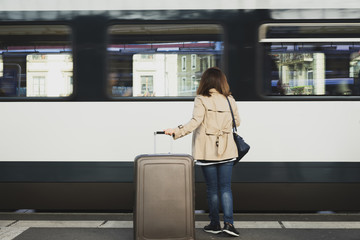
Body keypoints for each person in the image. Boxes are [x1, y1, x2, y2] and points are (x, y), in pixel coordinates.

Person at [164, 67, 240, 237]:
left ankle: (214, 224)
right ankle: (229, 224)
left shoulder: (201, 99)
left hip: (207, 150)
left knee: (212, 189)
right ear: (222, 81)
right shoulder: (230, 99)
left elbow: (195, 122)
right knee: (226, 188)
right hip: (227, 149)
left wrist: (175, 131)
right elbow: (238, 122)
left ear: (205, 81)